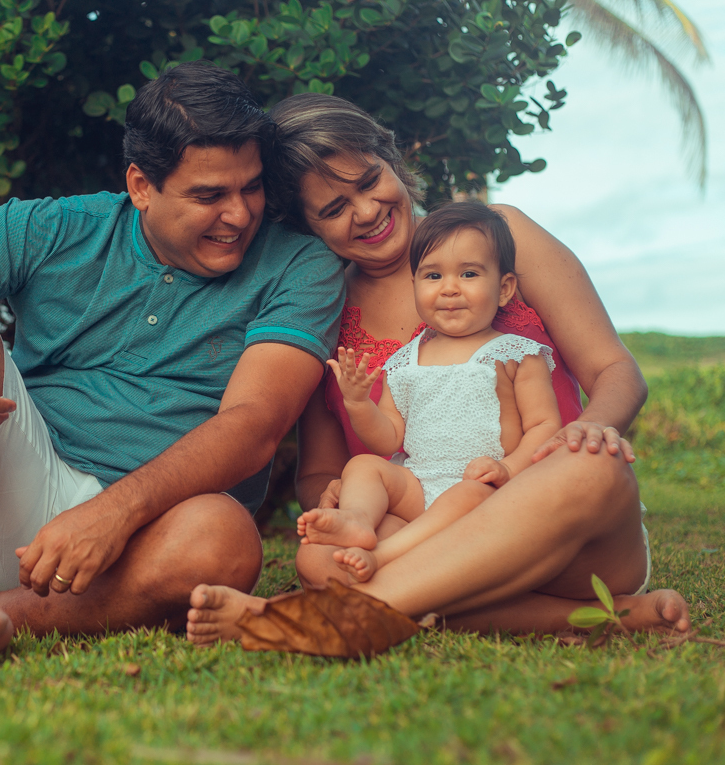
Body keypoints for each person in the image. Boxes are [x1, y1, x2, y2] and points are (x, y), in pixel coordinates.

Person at [0, 63, 345, 664]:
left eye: (251, 187)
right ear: (142, 186)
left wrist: (115, 512)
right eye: (208, 195)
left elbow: (254, 426)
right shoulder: (57, 227)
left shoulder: (301, 266)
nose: (240, 214)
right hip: (17, 484)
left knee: (224, 540)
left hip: (154, 533)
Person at [186, 93, 690, 645]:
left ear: (393, 163)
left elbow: (616, 369)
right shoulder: (322, 311)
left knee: (589, 463)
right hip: (429, 531)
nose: (367, 210)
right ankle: (609, 617)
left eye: (369, 180)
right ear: (308, 228)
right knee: (320, 560)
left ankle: (308, 619)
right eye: (333, 209)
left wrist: (590, 427)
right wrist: (332, 500)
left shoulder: (500, 236)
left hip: (568, 526)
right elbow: (318, 472)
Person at [299, 201, 561, 583]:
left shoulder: (516, 353)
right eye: (433, 276)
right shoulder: (406, 361)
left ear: (504, 289)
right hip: (418, 487)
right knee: (363, 467)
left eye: (469, 274)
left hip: (484, 492)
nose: (449, 289)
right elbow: (389, 435)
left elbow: (544, 423)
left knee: (469, 493)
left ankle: (386, 555)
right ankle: (357, 522)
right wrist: (358, 404)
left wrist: (508, 469)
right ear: (415, 286)